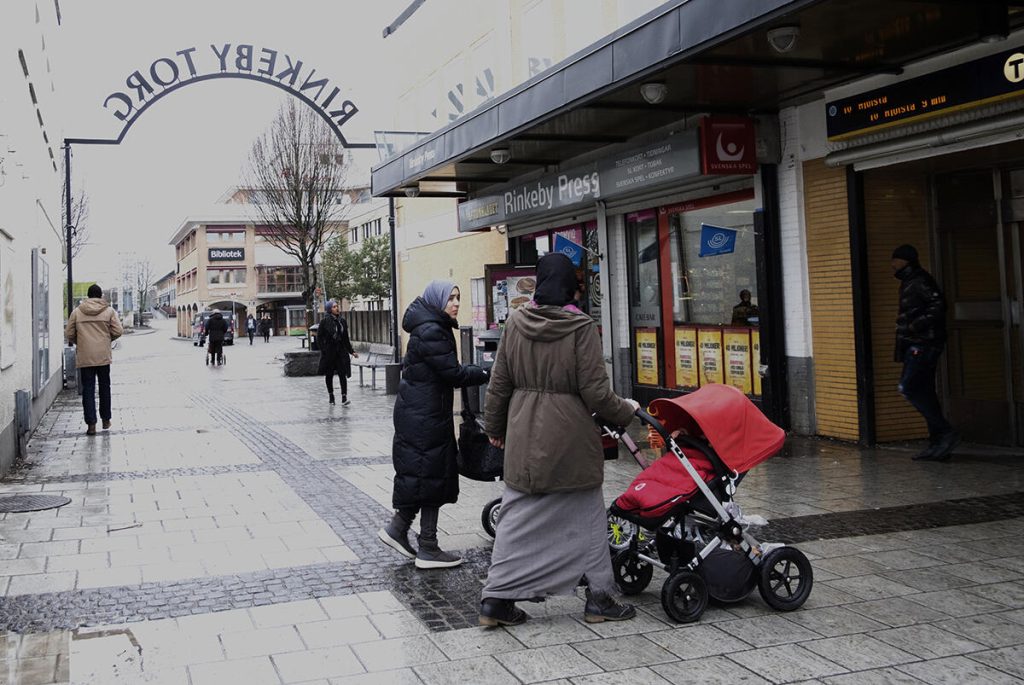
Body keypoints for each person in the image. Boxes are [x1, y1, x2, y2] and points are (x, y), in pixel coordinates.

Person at [479, 253, 640, 627]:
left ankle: (496, 602)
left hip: (522, 435)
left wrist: (495, 429)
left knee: (515, 517)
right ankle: (599, 598)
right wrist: (627, 410)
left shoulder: (516, 323)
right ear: (570, 286)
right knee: (586, 515)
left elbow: (498, 384)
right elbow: (597, 395)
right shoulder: (581, 327)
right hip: (570, 439)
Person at [379, 280, 489, 569]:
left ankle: (399, 529)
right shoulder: (432, 330)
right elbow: (452, 373)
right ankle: (427, 547)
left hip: (422, 414)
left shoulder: (430, 326)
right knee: (431, 476)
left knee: (426, 476)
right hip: (424, 417)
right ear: (437, 300)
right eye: (450, 298)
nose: (455, 303)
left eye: (458, 298)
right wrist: (485, 372)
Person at [892, 244, 959, 461]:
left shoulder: (919, 281)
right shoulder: (909, 281)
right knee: (926, 391)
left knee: (908, 387)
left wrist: (915, 326)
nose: (893, 263)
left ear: (907, 261)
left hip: (923, 343)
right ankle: (938, 443)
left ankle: (946, 432)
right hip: (918, 343)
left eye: (897, 259)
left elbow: (938, 305)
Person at [64, 284, 123, 435]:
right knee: (104, 387)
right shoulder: (109, 311)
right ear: (100, 295)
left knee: (88, 389)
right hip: (103, 356)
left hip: (85, 356)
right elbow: (118, 330)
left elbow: (69, 333)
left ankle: (91, 424)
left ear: (88, 296)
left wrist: (81, 342)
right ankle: (106, 420)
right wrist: (106, 340)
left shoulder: (77, 312)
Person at [317, 300, 358, 406]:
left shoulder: (342, 321)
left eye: (337, 306)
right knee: (329, 375)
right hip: (329, 353)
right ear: (329, 309)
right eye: (334, 307)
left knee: (342, 374)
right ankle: (331, 396)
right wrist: (324, 349)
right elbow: (319, 337)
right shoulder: (325, 322)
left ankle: (344, 397)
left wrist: (351, 351)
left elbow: (345, 338)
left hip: (340, 352)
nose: (337, 308)